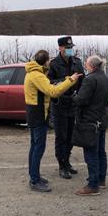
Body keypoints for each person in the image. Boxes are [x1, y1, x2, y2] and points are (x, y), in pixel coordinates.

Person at [24, 50, 81, 192]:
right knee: (38, 148)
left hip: (35, 114)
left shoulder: (34, 73)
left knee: (35, 146)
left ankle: (35, 176)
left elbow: (49, 87)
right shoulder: (37, 75)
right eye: (48, 60)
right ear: (45, 61)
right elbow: (53, 92)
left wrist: (66, 80)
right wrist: (71, 80)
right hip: (38, 115)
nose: (50, 62)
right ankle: (34, 180)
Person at [73, 54, 108, 196]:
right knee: (101, 151)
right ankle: (101, 180)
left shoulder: (89, 79)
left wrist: (73, 97)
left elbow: (81, 100)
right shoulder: (107, 79)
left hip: (89, 121)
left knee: (91, 153)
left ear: (90, 66)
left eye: (86, 64)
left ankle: (93, 185)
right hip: (101, 119)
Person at [47, 36, 85, 179]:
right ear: (60, 48)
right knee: (61, 137)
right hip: (60, 105)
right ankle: (62, 165)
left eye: (71, 47)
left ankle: (67, 162)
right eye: (67, 47)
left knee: (70, 136)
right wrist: (67, 80)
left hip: (73, 104)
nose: (69, 50)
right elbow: (49, 82)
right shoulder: (54, 64)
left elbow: (82, 82)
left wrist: (80, 97)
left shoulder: (77, 62)